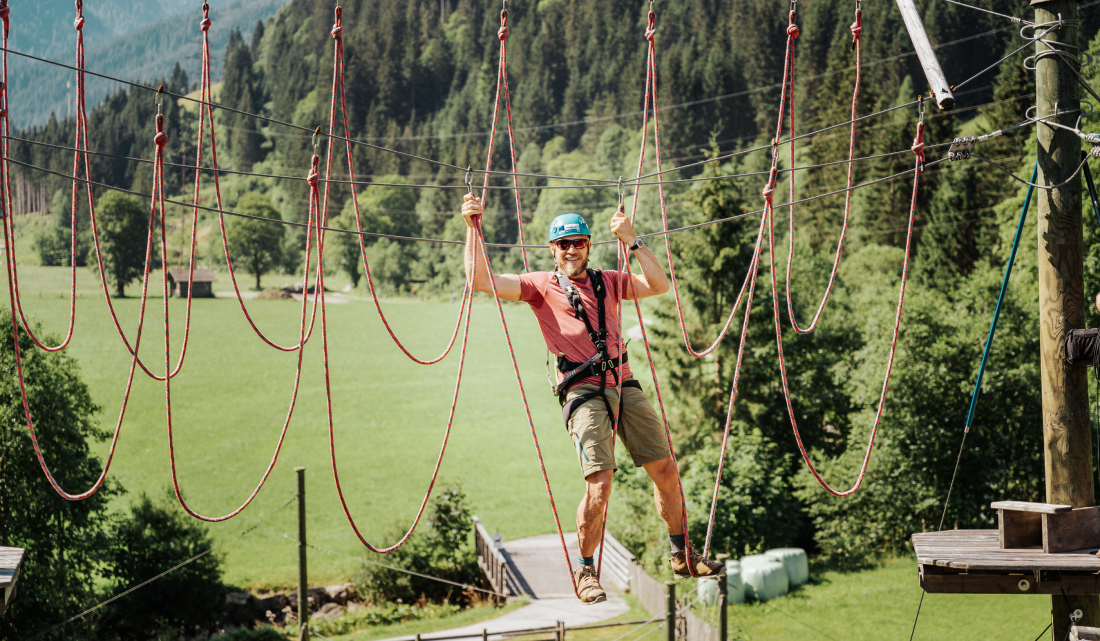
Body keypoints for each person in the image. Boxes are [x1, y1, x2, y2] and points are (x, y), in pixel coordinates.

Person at [460, 193, 725, 605]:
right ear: (552, 250)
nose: (570, 250)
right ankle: (585, 569)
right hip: (582, 391)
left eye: (578, 242)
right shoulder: (539, 286)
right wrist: (472, 227)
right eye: (563, 244)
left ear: (588, 245)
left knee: (666, 470)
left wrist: (632, 239)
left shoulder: (610, 281)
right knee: (600, 485)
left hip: (623, 382)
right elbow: (481, 281)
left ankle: (680, 553)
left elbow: (659, 285)